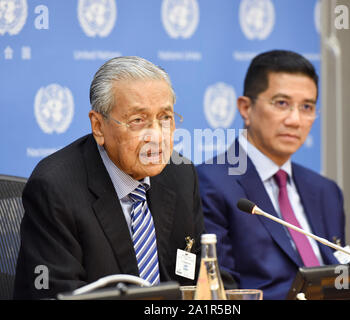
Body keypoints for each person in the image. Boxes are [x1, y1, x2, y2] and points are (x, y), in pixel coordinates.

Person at [14, 56, 206, 299]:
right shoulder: (55, 188)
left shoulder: (181, 175)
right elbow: (54, 294)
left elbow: (203, 276)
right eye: (138, 120)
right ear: (98, 126)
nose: (157, 136)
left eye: (165, 118)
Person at [196, 50, 346, 300]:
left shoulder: (326, 191)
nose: (295, 120)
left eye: (307, 107)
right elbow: (221, 293)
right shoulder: (210, 183)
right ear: (245, 107)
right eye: (282, 103)